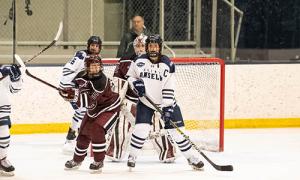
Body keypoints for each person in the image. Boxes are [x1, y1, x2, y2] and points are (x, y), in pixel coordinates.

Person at [126, 34, 204, 170]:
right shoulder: (138, 61)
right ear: (147, 47)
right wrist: (135, 84)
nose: (153, 48)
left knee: (177, 133)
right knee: (141, 129)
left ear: (160, 47)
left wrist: (167, 108)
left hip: (166, 103)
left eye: (155, 46)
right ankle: (132, 156)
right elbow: (130, 77)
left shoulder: (167, 64)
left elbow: (169, 86)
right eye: (150, 46)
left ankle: (191, 158)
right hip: (146, 102)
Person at [106, 34, 177, 163]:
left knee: (157, 125)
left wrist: (165, 103)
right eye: (137, 46)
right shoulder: (126, 61)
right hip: (129, 101)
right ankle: (115, 151)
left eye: (142, 45)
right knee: (120, 123)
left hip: (150, 102)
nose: (139, 48)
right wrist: (116, 102)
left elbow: (165, 84)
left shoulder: (160, 62)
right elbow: (118, 82)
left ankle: (167, 152)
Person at [61, 55, 121, 172]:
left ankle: (98, 161)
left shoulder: (101, 81)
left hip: (109, 108)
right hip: (93, 109)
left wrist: (74, 97)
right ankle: (77, 160)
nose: (96, 68)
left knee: (97, 129)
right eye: (93, 66)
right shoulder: (81, 75)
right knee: (83, 133)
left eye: (98, 66)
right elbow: (73, 87)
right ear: (87, 67)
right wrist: (66, 92)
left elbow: (90, 100)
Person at [59, 35, 102, 152]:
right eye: (92, 45)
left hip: (81, 89)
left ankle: (71, 137)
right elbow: (67, 70)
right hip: (71, 88)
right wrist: (67, 87)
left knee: (81, 112)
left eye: (96, 46)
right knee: (83, 112)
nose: (94, 47)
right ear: (88, 46)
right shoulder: (81, 55)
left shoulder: (98, 58)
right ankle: (74, 141)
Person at [0, 64, 22, 176]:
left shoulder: (3, 71)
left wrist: (16, 78)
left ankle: (2, 159)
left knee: (4, 137)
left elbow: (15, 89)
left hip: (1, 109)